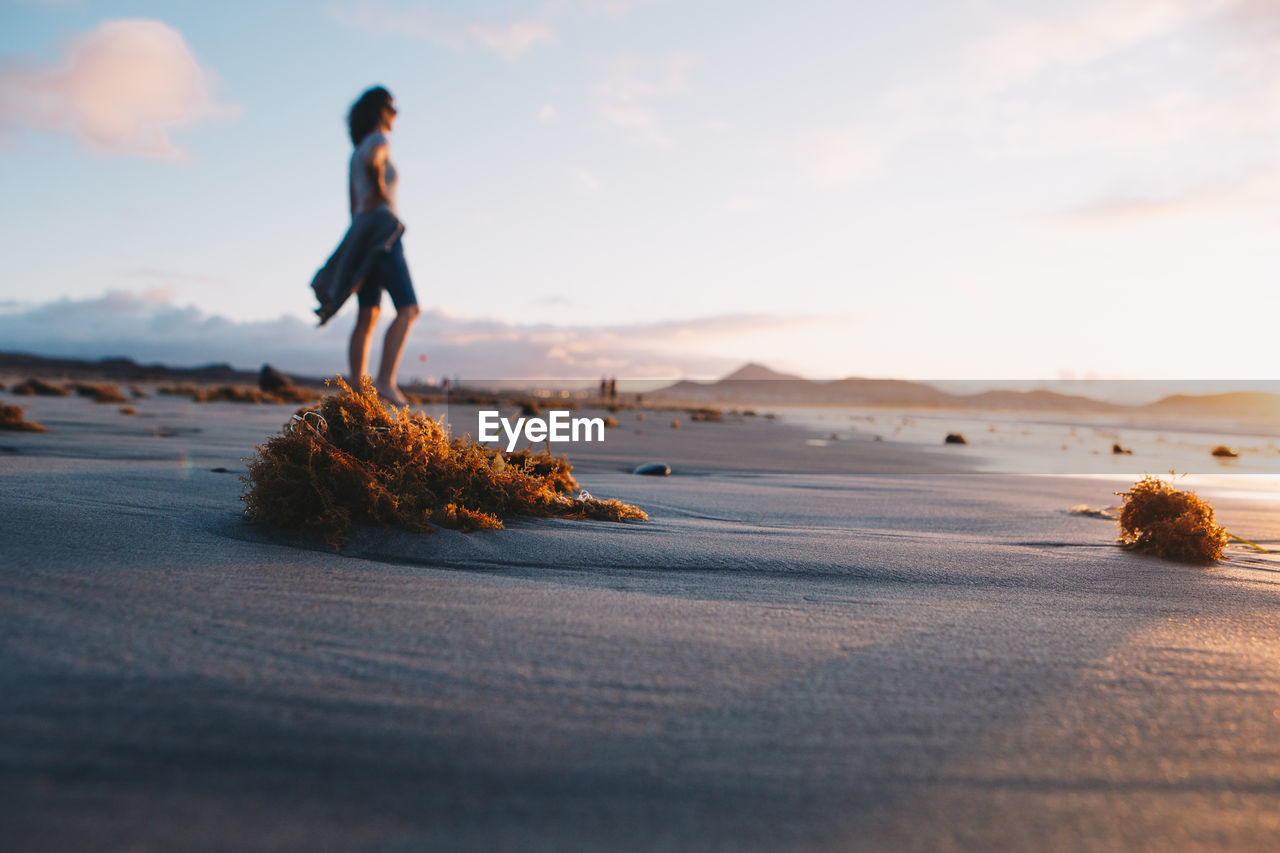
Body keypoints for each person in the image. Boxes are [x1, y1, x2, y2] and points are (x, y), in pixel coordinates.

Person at [312, 86, 420, 405]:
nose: (396, 113)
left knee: (368, 313)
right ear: (380, 111)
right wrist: (380, 196)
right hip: (382, 227)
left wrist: (362, 226)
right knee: (409, 308)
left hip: (361, 229)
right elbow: (375, 163)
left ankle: (358, 391)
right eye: (392, 107)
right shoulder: (378, 142)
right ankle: (385, 382)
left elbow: (351, 205)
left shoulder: (354, 152)